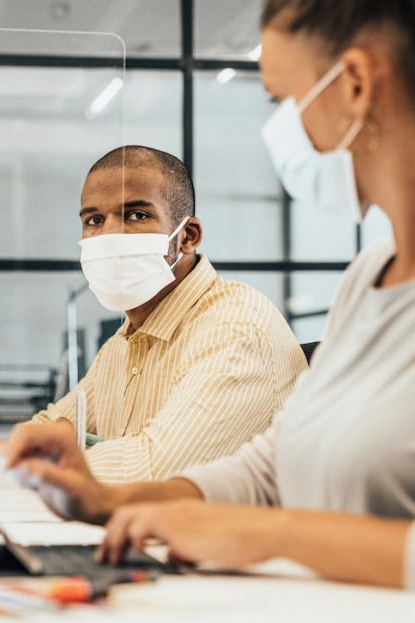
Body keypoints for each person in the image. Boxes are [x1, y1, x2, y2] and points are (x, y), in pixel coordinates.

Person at [0, 0, 415, 623]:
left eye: (284, 100)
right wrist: (111, 499)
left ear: (357, 87)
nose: (280, 133)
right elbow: (274, 465)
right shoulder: (370, 279)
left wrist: (270, 533)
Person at [23, 145, 306, 483]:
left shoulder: (236, 328)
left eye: (137, 215)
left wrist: (65, 454)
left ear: (188, 236)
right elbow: (38, 433)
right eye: (94, 220)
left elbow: (154, 472)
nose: (110, 234)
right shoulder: (124, 342)